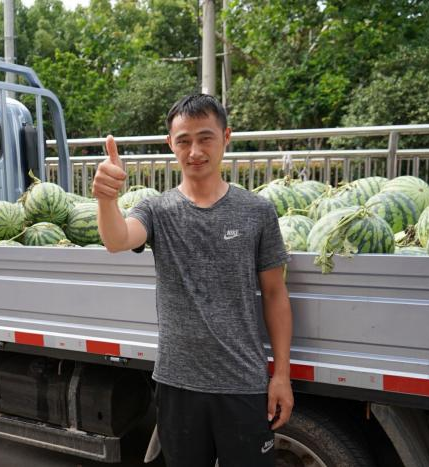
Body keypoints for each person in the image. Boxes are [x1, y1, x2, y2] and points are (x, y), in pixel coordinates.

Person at [93, 94, 293, 466]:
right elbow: (117, 239)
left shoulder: (257, 211)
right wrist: (106, 198)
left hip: (244, 383)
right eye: (183, 140)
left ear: (226, 137)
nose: (195, 151)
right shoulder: (157, 209)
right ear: (171, 144)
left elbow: (275, 294)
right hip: (177, 385)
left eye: (206, 138)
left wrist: (281, 375)